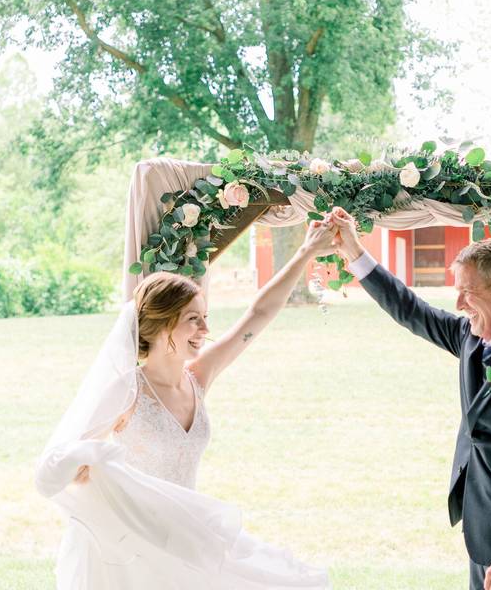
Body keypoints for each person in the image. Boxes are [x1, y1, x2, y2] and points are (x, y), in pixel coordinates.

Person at [35, 219, 336, 589]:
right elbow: (68, 459)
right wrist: (86, 464)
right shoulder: (128, 390)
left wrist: (305, 252)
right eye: (193, 320)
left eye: (205, 318)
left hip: (186, 532)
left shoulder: (199, 377)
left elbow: (258, 315)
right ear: (162, 326)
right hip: (140, 546)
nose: (205, 330)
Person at [327, 207, 491, 590]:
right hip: (485, 533)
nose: (460, 304)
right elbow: (410, 310)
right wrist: (354, 251)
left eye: (468, 292)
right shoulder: (472, 337)